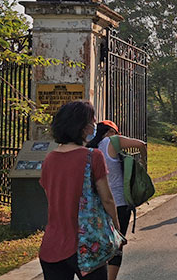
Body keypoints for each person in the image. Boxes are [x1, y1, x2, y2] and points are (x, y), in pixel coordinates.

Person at [39, 101, 122, 280]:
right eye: (92, 121)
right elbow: (107, 199)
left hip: (52, 245)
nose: (94, 125)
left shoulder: (49, 159)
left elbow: (51, 199)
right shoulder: (93, 156)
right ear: (82, 127)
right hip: (87, 245)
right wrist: (116, 228)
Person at [86, 120, 147, 280]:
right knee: (117, 245)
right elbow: (141, 144)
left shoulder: (89, 148)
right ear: (111, 132)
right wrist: (143, 162)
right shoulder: (113, 141)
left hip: (96, 205)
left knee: (97, 244)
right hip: (119, 204)